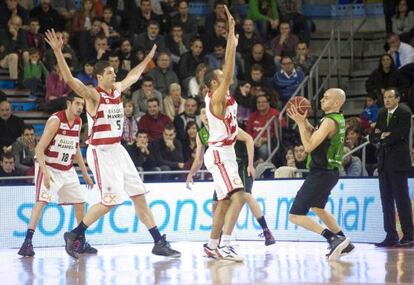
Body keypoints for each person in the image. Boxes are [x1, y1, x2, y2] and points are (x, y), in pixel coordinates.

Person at [45, 29, 180, 259]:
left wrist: (147, 60)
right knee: (110, 202)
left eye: (114, 72)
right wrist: (58, 52)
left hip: (118, 150)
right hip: (101, 152)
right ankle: (75, 234)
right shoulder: (93, 95)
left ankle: (158, 241)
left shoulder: (116, 90)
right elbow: (69, 80)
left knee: (139, 196)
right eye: (109, 73)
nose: (114, 75)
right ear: (99, 77)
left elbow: (134, 76)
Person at [199, 6, 250, 262]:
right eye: (220, 78)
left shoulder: (223, 96)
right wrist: (230, 35)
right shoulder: (216, 97)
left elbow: (228, 72)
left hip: (224, 152)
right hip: (220, 153)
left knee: (224, 202)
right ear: (213, 85)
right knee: (239, 197)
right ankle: (227, 244)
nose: (226, 78)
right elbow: (228, 71)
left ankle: (211, 245)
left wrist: (232, 40)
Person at [17, 92, 96, 255]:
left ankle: (80, 241)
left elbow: (75, 149)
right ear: (68, 104)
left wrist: (85, 172)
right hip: (49, 166)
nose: (81, 107)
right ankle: (27, 243)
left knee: (80, 202)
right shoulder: (56, 121)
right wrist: (45, 173)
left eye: (82, 105)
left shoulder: (79, 121)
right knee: (41, 202)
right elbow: (39, 149)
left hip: (67, 169)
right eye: (78, 104)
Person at [186, 104, 275, 247]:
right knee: (217, 203)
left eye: (207, 112)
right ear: (201, 117)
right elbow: (199, 159)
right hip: (222, 168)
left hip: (239, 165)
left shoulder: (224, 127)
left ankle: (266, 230)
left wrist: (251, 165)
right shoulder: (201, 134)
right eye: (202, 113)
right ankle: (217, 239)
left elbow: (249, 139)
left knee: (244, 195)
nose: (205, 115)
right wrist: (191, 174)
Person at [287, 88, 354, 261]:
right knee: (318, 208)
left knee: (295, 215)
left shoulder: (329, 122)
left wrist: (301, 124)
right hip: (329, 173)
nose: (322, 100)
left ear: (337, 102)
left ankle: (333, 238)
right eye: (322, 97)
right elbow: (316, 134)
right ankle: (345, 242)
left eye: (327, 98)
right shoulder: (332, 119)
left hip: (321, 173)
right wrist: (304, 121)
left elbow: (308, 147)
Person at [369, 88, 413, 247]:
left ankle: (409, 235)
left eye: (390, 97)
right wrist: (382, 136)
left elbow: (399, 134)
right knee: (386, 199)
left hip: (398, 162)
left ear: (397, 99)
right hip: (383, 162)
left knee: (402, 199)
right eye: (385, 97)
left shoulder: (404, 112)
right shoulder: (381, 113)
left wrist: (383, 137)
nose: (386, 100)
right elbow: (372, 136)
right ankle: (391, 235)